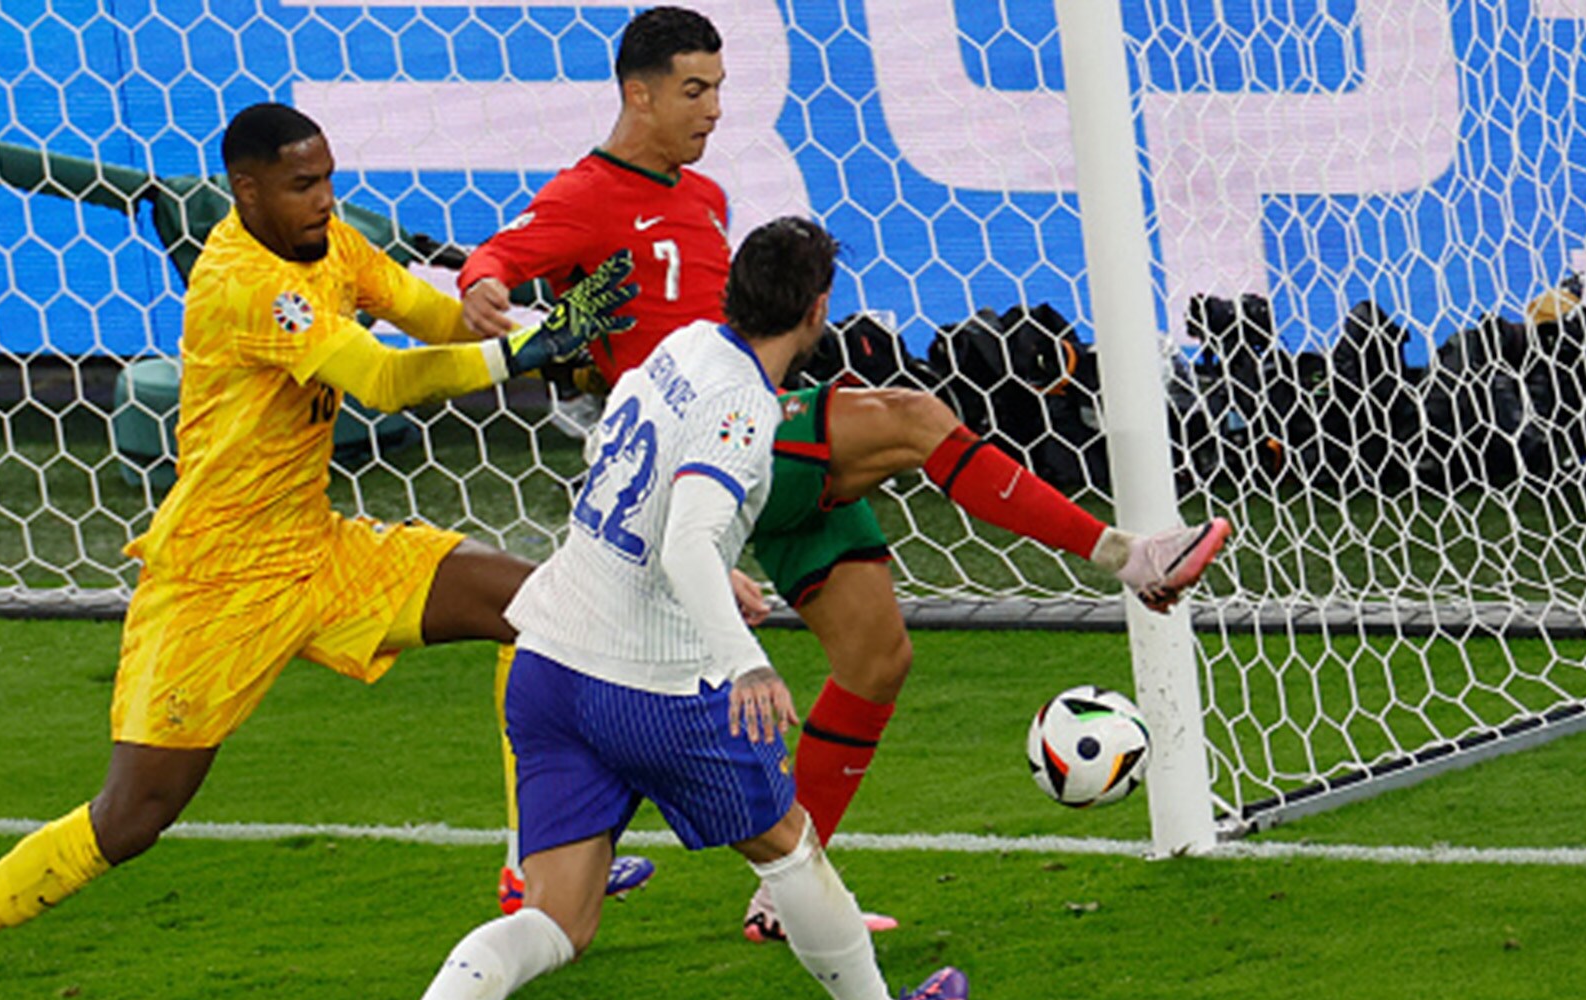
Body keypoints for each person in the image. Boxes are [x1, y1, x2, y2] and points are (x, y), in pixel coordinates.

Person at [0, 101, 639, 1000]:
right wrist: (515, 357)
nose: (323, 200)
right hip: (215, 581)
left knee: (536, 609)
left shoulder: (330, 244)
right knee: (133, 816)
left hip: (315, 546)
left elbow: (426, 314)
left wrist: (525, 325)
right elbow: (381, 379)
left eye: (328, 179)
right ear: (247, 189)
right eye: (303, 185)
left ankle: (528, 869)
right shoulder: (242, 282)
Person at [457, 5, 1232, 941]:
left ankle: (785, 896)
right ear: (639, 92)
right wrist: (484, 288)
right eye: (693, 91)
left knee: (876, 658)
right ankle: (1127, 556)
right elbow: (504, 253)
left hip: (754, 441)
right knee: (911, 418)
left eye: (718, 91)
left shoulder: (702, 201)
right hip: (707, 443)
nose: (710, 111)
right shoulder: (593, 192)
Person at [361, 216, 968, 1000]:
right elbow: (686, 540)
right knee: (789, 849)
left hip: (547, 661)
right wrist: (747, 658)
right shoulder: (748, 407)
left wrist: (718, 570)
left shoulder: (680, 347)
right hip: (653, 687)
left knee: (557, 916)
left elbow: (628, 474)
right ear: (817, 310)